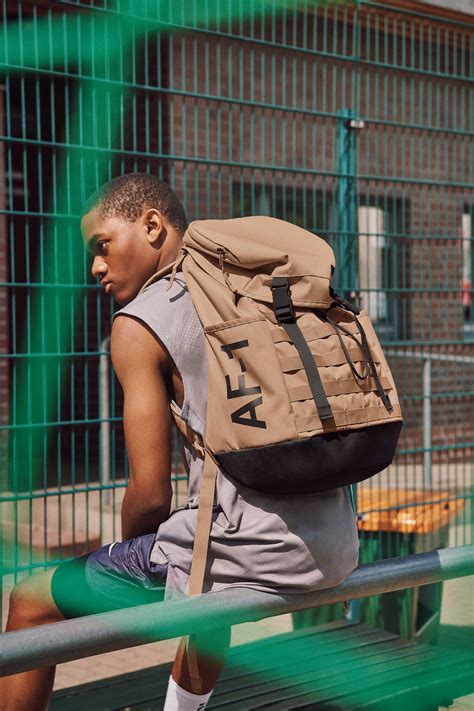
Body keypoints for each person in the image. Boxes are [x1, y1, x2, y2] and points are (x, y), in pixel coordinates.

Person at [0, 173, 359, 711]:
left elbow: (149, 495)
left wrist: (130, 559)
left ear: (151, 225)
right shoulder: (256, 293)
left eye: (102, 245)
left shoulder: (140, 323)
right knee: (201, 551)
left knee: (30, 600)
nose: (95, 266)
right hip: (333, 547)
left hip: (245, 554)